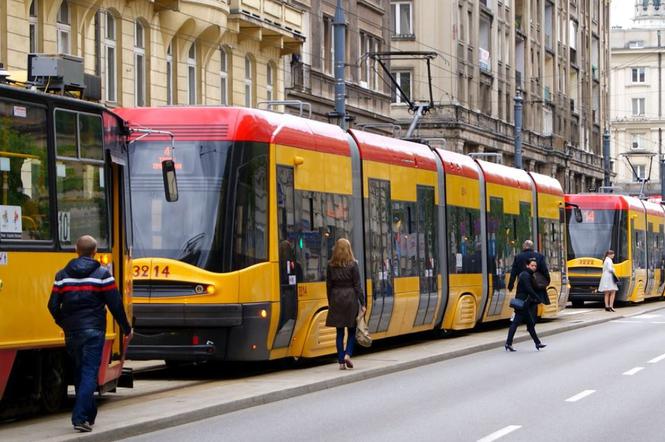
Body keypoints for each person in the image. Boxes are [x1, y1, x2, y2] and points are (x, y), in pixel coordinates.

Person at [47, 235, 133, 433]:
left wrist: (64, 322)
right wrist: (126, 328)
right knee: (88, 373)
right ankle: (79, 418)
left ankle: (88, 415)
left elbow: (52, 305)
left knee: (80, 372)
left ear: (76, 251)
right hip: (94, 331)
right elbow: (116, 304)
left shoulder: (62, 276)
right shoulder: (103, 275)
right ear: (95, 252)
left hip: (73, 332)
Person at [326, 238, 366, 370]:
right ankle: (348, 354)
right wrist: (363, 302)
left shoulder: (330, 265)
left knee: (339, 333)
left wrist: (330, 301)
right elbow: (357, 286)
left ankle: (341, 361)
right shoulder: (353, 265)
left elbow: (329, 286)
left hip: (336, 299)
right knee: (352, 330)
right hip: (350, 299)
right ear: (349, 250)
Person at [504, 258, 546, 352]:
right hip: (522, 303)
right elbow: (528, 289)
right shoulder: (525, 275)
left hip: (525, 303)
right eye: (532, 265)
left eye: (535, 266)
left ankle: (537, 343)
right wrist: (537, 298)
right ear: (527, 266)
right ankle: (509, 343)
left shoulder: (528, 275)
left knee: (528, 324)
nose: (534, 267)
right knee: (518, 323)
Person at [507, 239, 550, 305]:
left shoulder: (518, 257)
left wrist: (510, 285)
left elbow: (513, 273)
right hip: (536, 287)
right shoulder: (540, 256)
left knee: (522, 307)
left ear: (523, 247)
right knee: (534, 308)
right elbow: (545, 271)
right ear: (532, 247)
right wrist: (547, 281)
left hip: (522, 288)